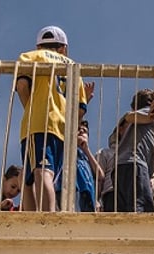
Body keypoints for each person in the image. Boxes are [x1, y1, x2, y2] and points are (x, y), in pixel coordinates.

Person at [15, 25, 94, 212]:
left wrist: (30, 109)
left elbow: (22, 86)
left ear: (39, 46)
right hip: (62, 129)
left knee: (40, 172)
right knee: (31, 175)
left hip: (38, 122)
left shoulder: (30, 57)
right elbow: (80, 110)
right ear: (63, 48)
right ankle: (37, 218)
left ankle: (45, 218)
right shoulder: (73, 67)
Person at [109, 89, 154, 213]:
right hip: (134, 165)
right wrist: (150, 113)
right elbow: (133, 116)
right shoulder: (146, 115)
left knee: (129, 209)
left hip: (122, 168)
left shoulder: (134, 124)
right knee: (142, 210)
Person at [56, 120, 103, 212]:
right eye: (78, 129)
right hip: (70, 190)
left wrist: (86, 150)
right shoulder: (64, 149)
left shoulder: (86, 157)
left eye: (84, 131)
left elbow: (100, 175)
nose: (81, 131)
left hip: (87, 193)